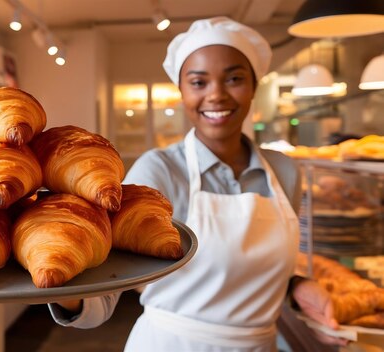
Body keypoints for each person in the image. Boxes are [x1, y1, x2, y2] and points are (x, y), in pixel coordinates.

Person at [48, 17, 348, 351]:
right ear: (182, 91)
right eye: (199, 82)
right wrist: (65, 286)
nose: (217, 95)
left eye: (234, 78)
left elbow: (258, 269)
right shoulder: (159, 169)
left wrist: (294, 287)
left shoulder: (284, 172)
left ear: (254, 86)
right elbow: (107, 290)